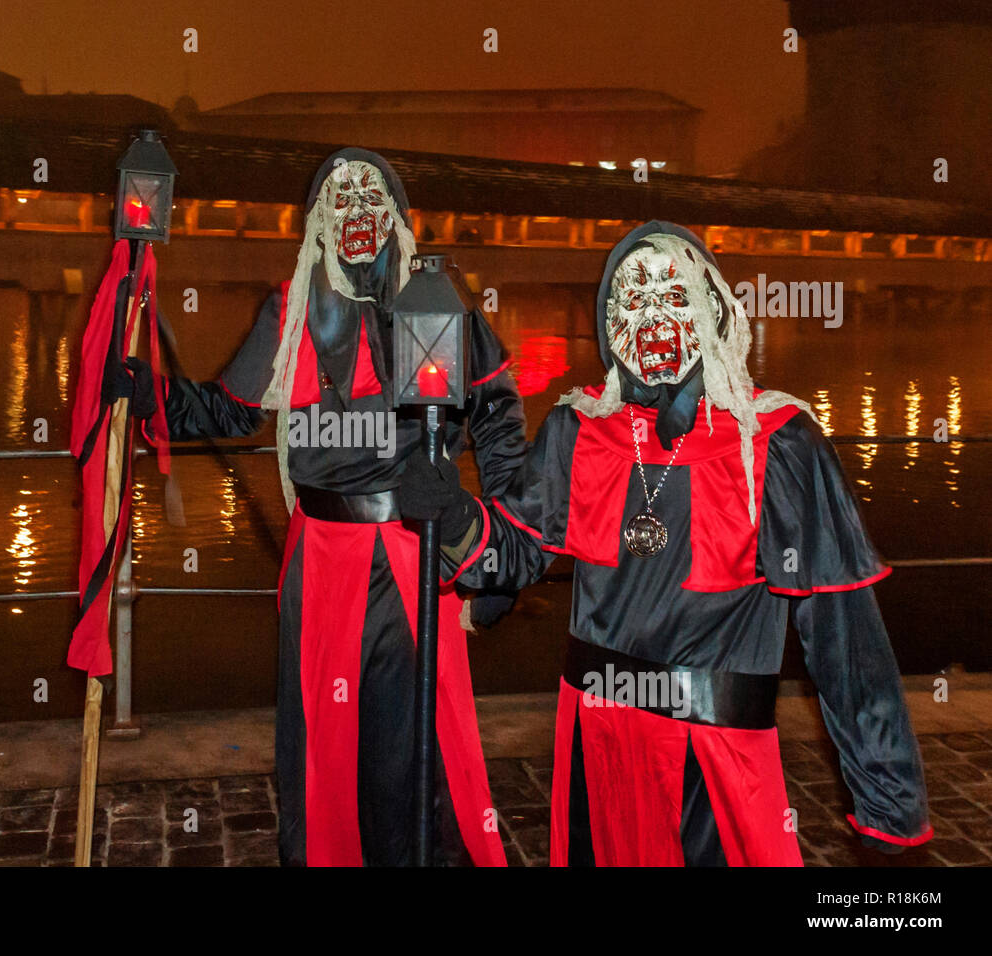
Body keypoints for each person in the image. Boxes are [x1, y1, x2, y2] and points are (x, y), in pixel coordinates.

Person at [399, 221, 933, 866]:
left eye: (672, 294)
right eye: (631, 297)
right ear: (609, 325)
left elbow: (847, 643)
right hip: (595, 737)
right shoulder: (580, 427)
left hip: (716, 752)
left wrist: (889, 813)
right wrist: (454, 512)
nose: (651, 312)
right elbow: (513, 551)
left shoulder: (777, 441)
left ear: (713, 308)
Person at [127, 148, 527, 866]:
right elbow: (229, 408)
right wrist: (141, 394)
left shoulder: (435, 303)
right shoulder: (292, 311)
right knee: (323, 754)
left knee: (410, 757)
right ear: (319, 220)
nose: (358, 216)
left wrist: (496, 556)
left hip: (411, 558)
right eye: (340, 202)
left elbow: (497, 418)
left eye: (373, 201)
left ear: (398, 217)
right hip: (321, 566)